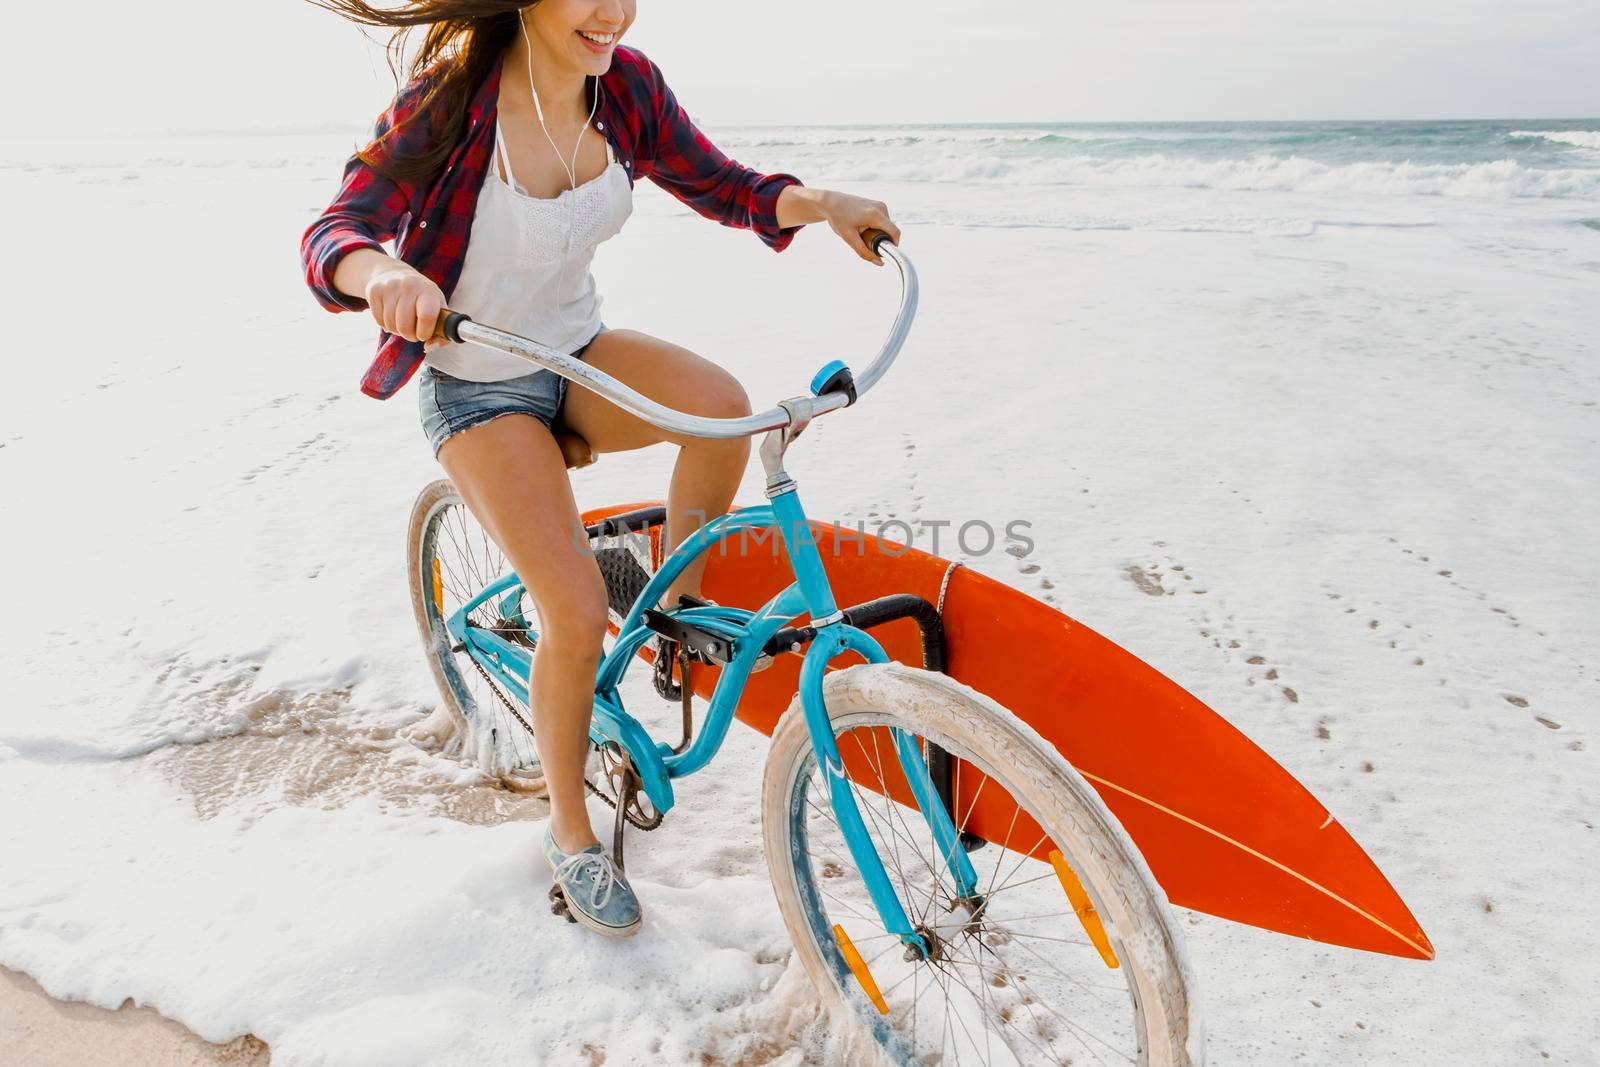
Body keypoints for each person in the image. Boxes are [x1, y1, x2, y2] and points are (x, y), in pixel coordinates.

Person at [299, 0, 901, 938]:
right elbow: (335, 230)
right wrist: (380, 273)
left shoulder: (624, 88)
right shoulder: (450, 104)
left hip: (576, 355)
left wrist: (825, 205)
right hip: (478, 389)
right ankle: (571, 833)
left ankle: (671, 632)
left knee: (723, 410)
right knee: (574, 612)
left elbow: (724, 185)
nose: (612, 12)